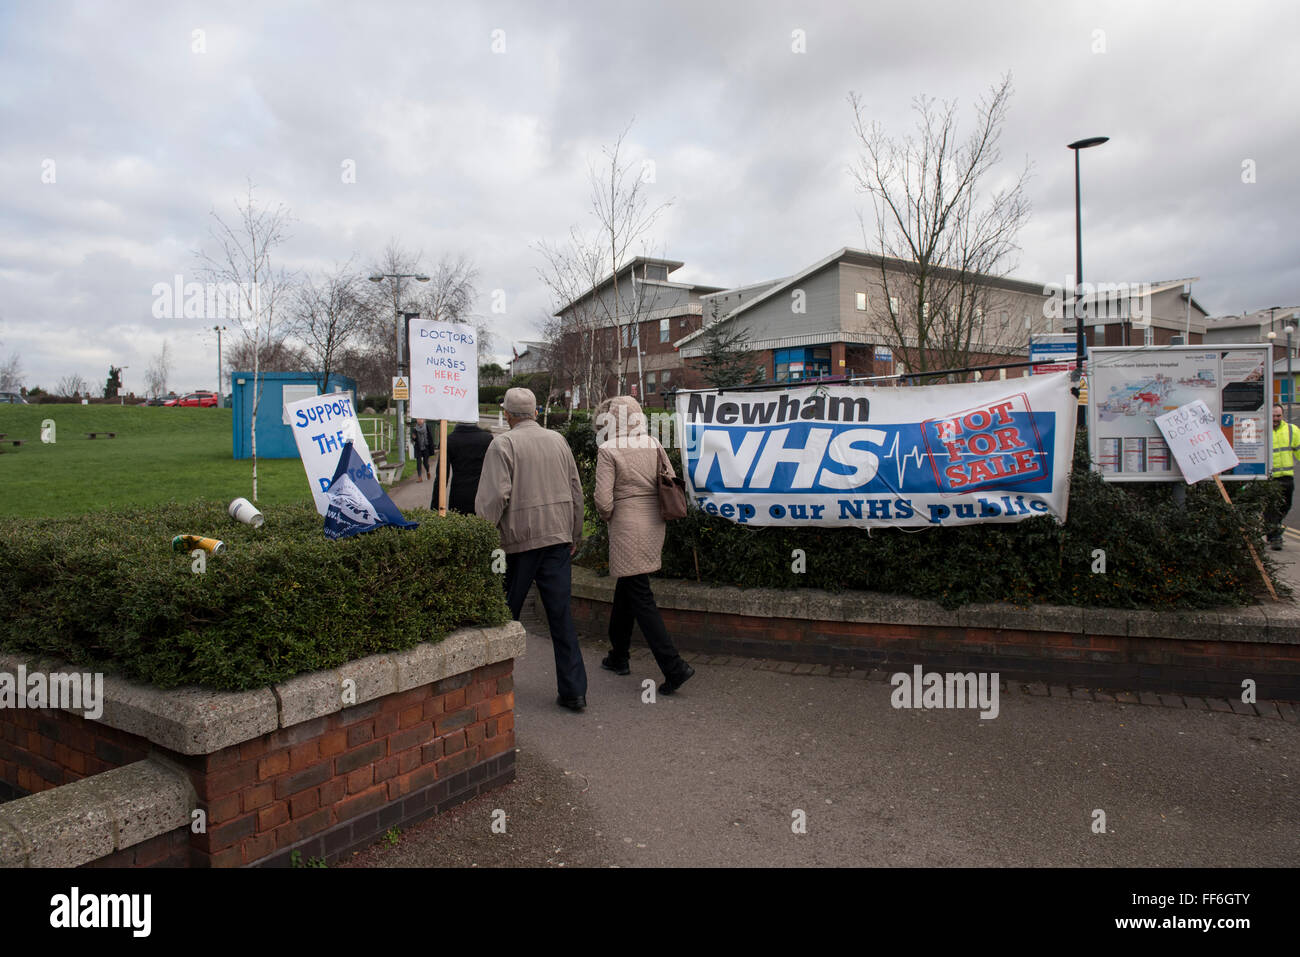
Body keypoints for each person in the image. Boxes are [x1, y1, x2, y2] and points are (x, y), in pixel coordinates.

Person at [476, 388, 589, 711]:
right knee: (561, 617)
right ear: (536, 413)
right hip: (557, 536)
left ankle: (492, 687)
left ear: (508, 415)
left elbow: (494, 498)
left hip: (519, 541)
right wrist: (575, 534)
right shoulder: (559, 440)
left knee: (505, 613)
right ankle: (574, 691)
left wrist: (484, 536)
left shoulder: (503, 444)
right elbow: (575, 490)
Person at [593, 395, 694, 696]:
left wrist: (609, 515)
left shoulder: (608, 449)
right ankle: (618, 655)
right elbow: (671, 479)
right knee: (629, 586)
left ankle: (673, 666)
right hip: (654, 523)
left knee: (639, 593)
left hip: (626, 525)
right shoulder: (654, 443)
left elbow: (602, 499)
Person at [433, 419, 495, 514]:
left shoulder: (449, 440)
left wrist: (434, 508)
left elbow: (441, 477)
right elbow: (494, 472)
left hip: (458, 496)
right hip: (482, 495)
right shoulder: (487, 439)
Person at [1268, 403, 1300, 549]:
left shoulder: (1292, 430)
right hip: (1269, 478)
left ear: (1283, 415)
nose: (1276, 418)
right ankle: (1275, 537)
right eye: (1273, 415)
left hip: (1287, 476)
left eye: (1278, 416)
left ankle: (1271, 528)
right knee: (1272, 508)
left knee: (1286, 505)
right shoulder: (1262, 430)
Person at [410, 418, 436, 483]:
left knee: (425, 463)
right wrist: (414, 438)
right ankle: (419, 477)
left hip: (426, 447)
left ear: (424, 420)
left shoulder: (427, 427)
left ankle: (428, 471)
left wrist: (431, 447)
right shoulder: (415, 428)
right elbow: (413, 439)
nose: (419, 420)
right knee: (418, 462)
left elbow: (430, 437)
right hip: (418, 447)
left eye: (421, 419)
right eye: (418, 419)